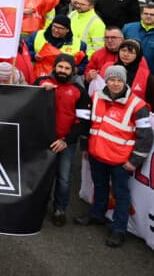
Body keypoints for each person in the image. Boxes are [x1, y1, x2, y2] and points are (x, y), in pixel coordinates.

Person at [77, 64, 154, 247]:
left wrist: (134, 161)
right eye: (112, 79)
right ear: (107, 80)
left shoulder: (137, 105)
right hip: (97, 155)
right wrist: (85, 146)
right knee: (100, 186)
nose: (115, 83)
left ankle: (119, 229)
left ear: (125, 81)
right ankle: (97, 215)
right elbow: (88, 124)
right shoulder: (96, 97)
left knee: (121, 195)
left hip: (121, 161)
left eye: (119, 80)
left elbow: (146, 136)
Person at [35, 55, 91, 226]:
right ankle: (38, 207)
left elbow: (83, 122)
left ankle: (60, 210)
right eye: (60, 67)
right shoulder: (43, 82)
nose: (63, 71)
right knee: (41, 177)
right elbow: (34, 88)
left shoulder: (79, 91)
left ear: (73, 70)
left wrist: (66, 140)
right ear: (54, 67)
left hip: (66, 143)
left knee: (63, 178)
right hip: (42, 141)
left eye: (67, 68)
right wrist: (40, 87)